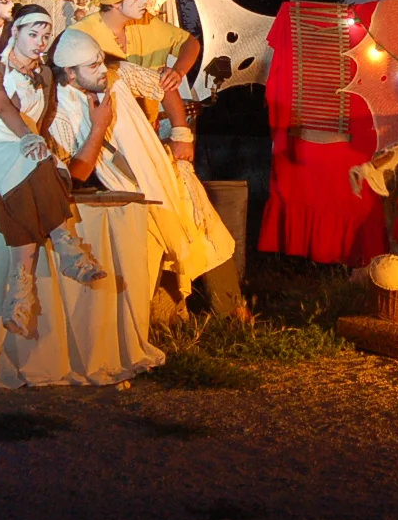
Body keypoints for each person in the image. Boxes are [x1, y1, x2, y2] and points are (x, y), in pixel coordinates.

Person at [46, 27, 248, 321]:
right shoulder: (58, 112)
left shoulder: (117, 74)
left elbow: (164, 85)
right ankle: (170, 319)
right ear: (70, 73)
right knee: (156, 275)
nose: (103, 69)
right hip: (124, 198)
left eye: (101, 60)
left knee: (207, 235)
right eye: (92, 65)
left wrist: (181, 134)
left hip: (163, 173)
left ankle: (235, 314)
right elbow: (74, 175)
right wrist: (98, 127)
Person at [0, 5, 107, 338]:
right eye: (32, 34)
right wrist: (28, 138)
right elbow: (0, 106)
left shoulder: (43, 77)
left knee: (36, 174)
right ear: (14, 33)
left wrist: (38, 142)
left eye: (45, 36)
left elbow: (41, 122)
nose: (40, 42)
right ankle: (65, 243)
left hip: (20, 155)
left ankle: (20, 293)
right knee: (31, 163)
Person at [71, 0, 201, 160]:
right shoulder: (81, 35)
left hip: (145, 132)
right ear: (115, 2)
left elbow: (190, 44)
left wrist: (177, 72)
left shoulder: (145, 23)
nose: (145, 0)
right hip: (98, 140)